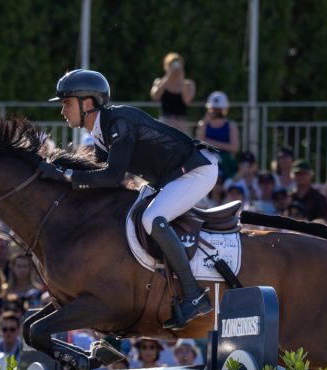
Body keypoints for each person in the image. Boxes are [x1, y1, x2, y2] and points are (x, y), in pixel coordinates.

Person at [52, 69, 215, 328]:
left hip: (195, 171)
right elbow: (97, 175)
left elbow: (112, 176)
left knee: (152, 218)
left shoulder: (119, 122)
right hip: (169, 178)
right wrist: (58, 174)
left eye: (66, 103)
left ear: (88, 103)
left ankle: (193, 295)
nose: (62, 111)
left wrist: (66, 175)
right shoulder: (100, 132)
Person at [195, 91, 240, 177]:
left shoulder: (231, 125)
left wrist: (211, 142)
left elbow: (235, 148)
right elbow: (198, 142)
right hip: (207, 162)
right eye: (213, 109)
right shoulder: (203, 124)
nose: (216, 112)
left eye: (218, 109)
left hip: (225, 164)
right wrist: (205, 119)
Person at [150, 52, 195, 135]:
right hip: (165, 121)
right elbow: (155, 96)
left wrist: (181, 80)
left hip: (182, 122)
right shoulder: (159, 81)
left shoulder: (188, 84)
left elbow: (187, 101)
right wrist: (168, 77)